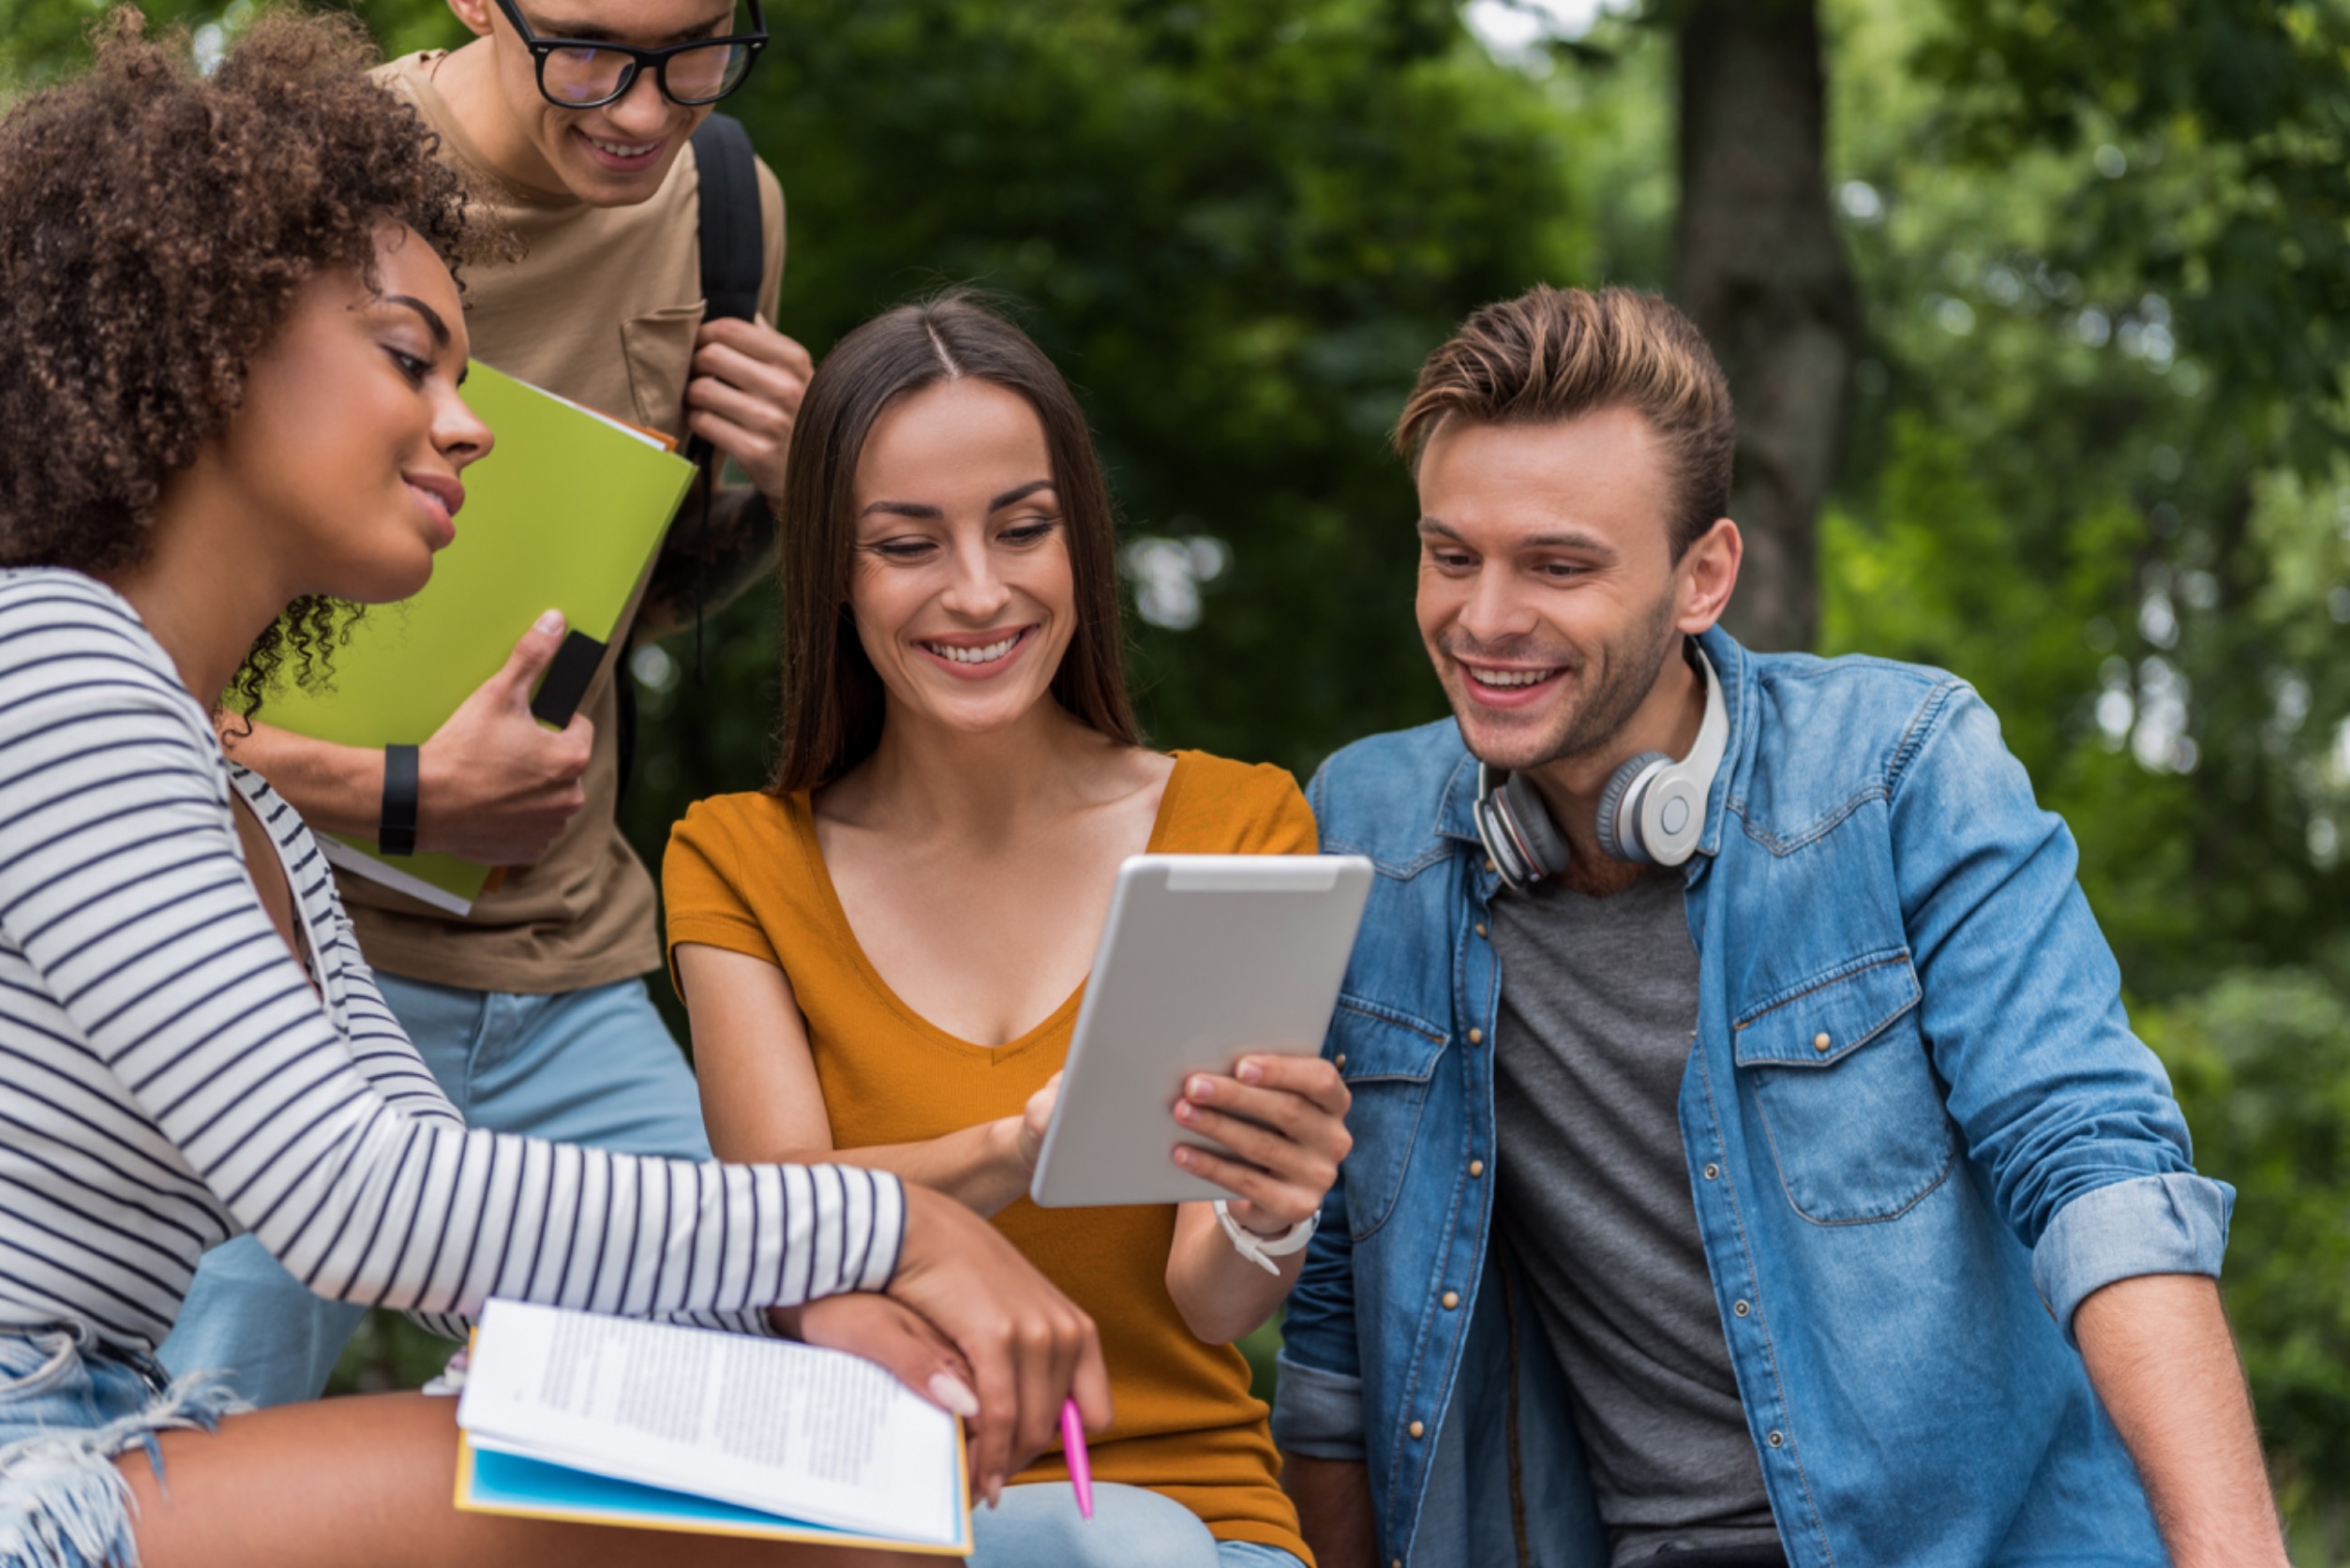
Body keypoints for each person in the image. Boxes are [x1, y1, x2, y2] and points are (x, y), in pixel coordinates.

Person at [0, 21, 1106, 1567]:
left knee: (788, 1467)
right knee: (751, 1517)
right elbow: (354, 1196)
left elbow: (472, 1228)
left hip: (112, 1434)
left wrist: (812, 1303)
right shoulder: (49, 658)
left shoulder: (233, 799)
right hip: (34, 1463)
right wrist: (899, 1228)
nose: (468, 423)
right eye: (408, 359)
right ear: (215, 338)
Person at [1270, 285, 2286, 1568]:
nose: (1482, 619)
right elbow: (1333, 1340)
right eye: (1450, 553)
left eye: (1558, 564)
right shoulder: (1365, 830)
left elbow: (2097, 1169)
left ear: (1705, 576)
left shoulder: (1902, 770)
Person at [161, 0, 812, 1403]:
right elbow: (104, 668)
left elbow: (644, 585)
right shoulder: (293, 182)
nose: (643, 110)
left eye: (696, 50)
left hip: (565, 968)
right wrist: (403, 790)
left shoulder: (727, 209)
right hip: (272, 974)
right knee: (167, 1444)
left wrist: (776, 487)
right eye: (586, 50)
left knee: (735, 1413)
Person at [660, 293, 1349, 1568]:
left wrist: (1275, 1204)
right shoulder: (737, 858)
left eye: (1021, 530)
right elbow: (779, 1231)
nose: (978, 593)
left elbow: (1209, 1297)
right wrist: (1016, 1141)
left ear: (1077, 543)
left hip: (1193, 1521)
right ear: (836, 573)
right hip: (879, 1518)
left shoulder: (1239, 822)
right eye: (909, 544)